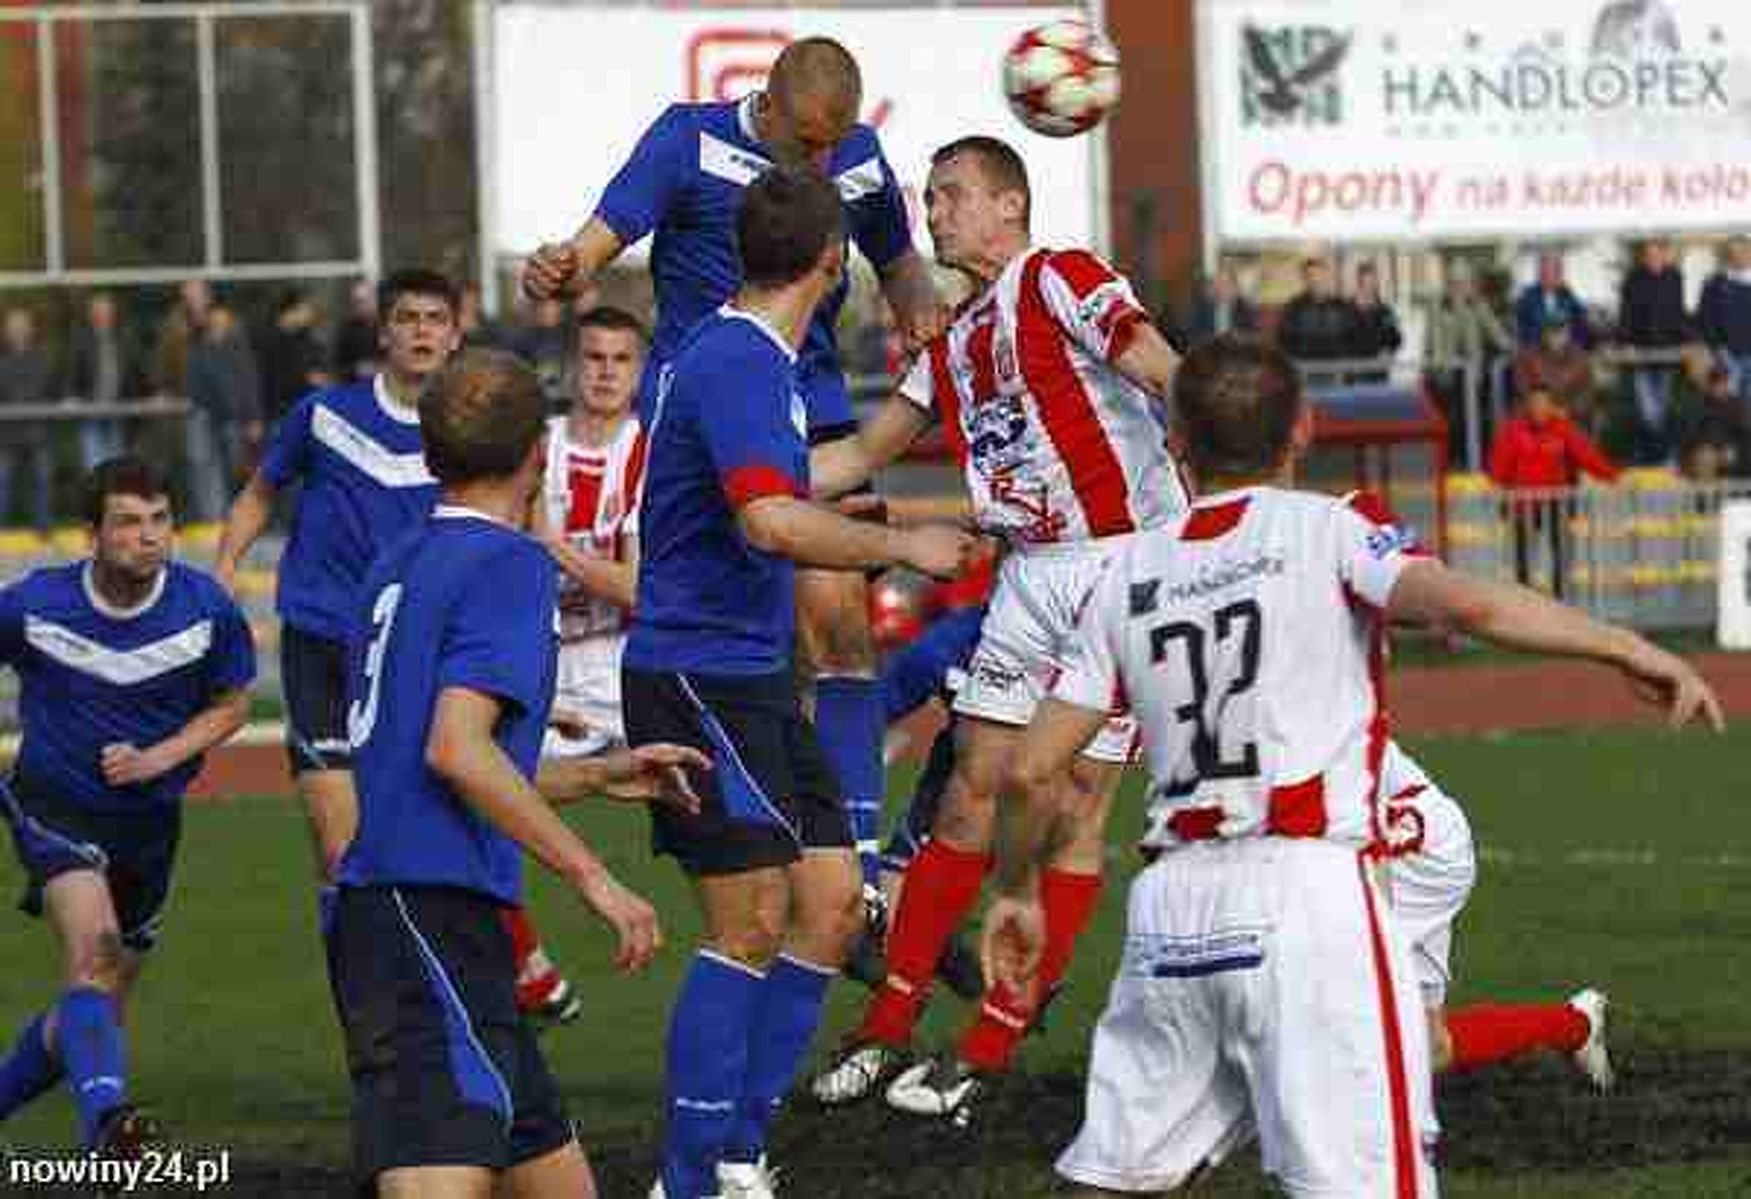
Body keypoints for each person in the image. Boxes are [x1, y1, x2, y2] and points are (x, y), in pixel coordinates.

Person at [979, 334, 1720, 1197]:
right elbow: (1470, 601)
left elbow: (1029, 771)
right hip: (1305, 894)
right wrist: (1628, 647)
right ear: (1303, 427)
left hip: (1170, 904)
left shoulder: (1124, 571)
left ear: (1174, 439)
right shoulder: (1332, 530)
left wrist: (1013, 888)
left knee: (1109, 1180)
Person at [806, 135, 1186, 1124]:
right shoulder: (956, 337)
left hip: (1119, 568)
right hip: (1028, 577)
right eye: (927, 199)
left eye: (951, 196)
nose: (932, 214)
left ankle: (989, 1041)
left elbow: (1154, 362)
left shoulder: (1058, 276)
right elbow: (859, 455)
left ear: (1009, 204)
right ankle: (885, 1026)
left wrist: (1232, 436)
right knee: (966, 792)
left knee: (1068, 804)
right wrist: (738, 484)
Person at [523, 37, 950, 897]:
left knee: (837, 623)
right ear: (768, 103)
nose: (822, 159)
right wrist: (563, 265)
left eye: (835, 141)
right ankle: (752, 830)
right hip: (706, 414)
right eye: (806, 142)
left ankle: (855, 867)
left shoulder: (857, 161)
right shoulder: (688, 140)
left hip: (810, 405)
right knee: (752, 632)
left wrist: (918, 306)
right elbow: (597, 242)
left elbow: (896, 258)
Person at [620, 164, 971, 1199]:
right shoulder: (736, 359)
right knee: (747, 924)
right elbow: (768, 521)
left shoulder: (749, 352)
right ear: (835, 261)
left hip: (754, 677)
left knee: (825, 904)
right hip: (697, 676)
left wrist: (928, 402)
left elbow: (820, 470)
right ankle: (687, 1178)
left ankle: (736, 1150)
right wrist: (908, 544)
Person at [330, 346, 704, 1199]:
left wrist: (598, 772)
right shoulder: (509, 563)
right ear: (539, 452)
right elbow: (455, 750)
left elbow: (429, 753)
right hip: (426, 915)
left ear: (429, 458)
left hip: (416, 914)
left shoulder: (398, 560)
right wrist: (595, 877)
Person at [213, 269, 580, 1025]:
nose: (420, 330)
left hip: (419, 653)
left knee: (449, 814)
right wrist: (223, 575)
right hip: (323, 645)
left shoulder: (472, 440)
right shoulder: (323, 416)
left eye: (434, 318)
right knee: (343, 850)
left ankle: (497, 970)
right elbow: (257, 494)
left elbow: (517, 536)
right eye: (406, 317)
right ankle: (378, 1021)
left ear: (456, 333)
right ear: (382, 332)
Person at [0, 456, 255, 1159]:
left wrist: (164, 756)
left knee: (94, 1001)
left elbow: (231, 704)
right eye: (128, 522)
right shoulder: (34, 605)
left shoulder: (207, 610)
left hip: (149, 825)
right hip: (54, 805)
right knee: (96, 950)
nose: (147, 536)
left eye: (160, 520)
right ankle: (108, 1127)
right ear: (92, 534)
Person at [534, 305, 648, 762]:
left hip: (618, 664)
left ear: (639, 372)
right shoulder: (534, 444)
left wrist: (552, 547)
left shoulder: (649, 452)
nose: (606, 372)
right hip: (540, 660)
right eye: (593, 357)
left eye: (621, 360)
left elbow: (636, 590)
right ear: (570, 367)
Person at [1488, 385, 1620, 598]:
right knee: (1522, 558)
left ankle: (1561, 599)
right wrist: (1495, 487)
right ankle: (1524, 600)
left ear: (1551, 407)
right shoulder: (1512, 430)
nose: (1539, 409)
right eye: (1535, 404)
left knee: (1562, 553)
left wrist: (1613, 477)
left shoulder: (1563, 428)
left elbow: (1587, 455)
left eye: (1543, 404)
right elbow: (1499, 466)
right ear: (1527, 407)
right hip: (1522, 506)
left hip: (1557, 503)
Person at [184, 304, 263, 522]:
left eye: (223, 323)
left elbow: (249, 385)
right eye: (215, 322)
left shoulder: (239, 351)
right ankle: (212, 516)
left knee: (233, 467)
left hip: (232, 418)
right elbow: (192, 384)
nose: (219, 326)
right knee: (202, 466)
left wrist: (253, 417)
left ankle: (233, 514)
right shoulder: (198, 349)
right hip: (203, 415)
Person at [1618, 238, 1691, 464]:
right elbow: (1626, 313)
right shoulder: (1633, 278)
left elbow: (1678, 312)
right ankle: (1659, 456)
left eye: (1656, 254)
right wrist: (1626, 342)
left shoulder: (1674, 277)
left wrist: (1685, 340)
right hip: (1640, 352)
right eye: (1648, 255)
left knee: (1661, 407)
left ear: (1663, 254)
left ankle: (1657, 456)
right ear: (1643, 257)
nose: (1652, 258)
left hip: (1667, 352)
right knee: (1648, 411)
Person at [64, 292, 146, 471]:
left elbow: (140, 371)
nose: (103, 315)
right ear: (91, 315)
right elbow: (71, 372)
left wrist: (154, 394)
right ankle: (96, 498)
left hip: (119, 411)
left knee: (117, 465)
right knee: (93, 465)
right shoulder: (81, 339)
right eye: (98, 311)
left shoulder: (125, 337)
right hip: (91, 411)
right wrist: (71, 397)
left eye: (107, 310)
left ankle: (111, 496)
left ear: (113, 313)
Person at [0, 307, 54, 531]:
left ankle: (42, 529)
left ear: (30, 329)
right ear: (6, 331)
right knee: (3, 483)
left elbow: (49, 390)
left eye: (22, 325)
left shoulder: (41, 358)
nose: (18, 330)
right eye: (13, 326)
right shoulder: (2, 360)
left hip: (36, 430)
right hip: (6, 432)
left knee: (41, 482)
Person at [1275, 257, 1361, 376]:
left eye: (1319, 275)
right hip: (1304, 370)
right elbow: (1283, 339)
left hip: (1336, 369)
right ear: (1304, 279)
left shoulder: (1341, 305)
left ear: (1326, 276)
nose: (1315, 279)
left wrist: (1346, 365)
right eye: (1310, 275)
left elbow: (1353, 336)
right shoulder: (1294, 307)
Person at [1696, 236, 1751, 405]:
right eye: (1733, 253)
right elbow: (1704, 318)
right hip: (1727, 355)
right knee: (1724, 405)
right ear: (1727, 256)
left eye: (1743, 252)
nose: (1738, 257)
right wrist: (1717, 348)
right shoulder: (1713, 283)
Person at [1515, 253, 1592, 349]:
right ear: (1539, 274)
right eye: (1544, 272)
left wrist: (1569, 335)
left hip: (1565, 350)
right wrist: (1545, 338)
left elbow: (1581, 321)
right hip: (1536, 351)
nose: (1547, 276)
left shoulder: (1566, 293)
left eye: (1556, 272)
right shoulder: (1527, 296)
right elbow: (1522, 329)